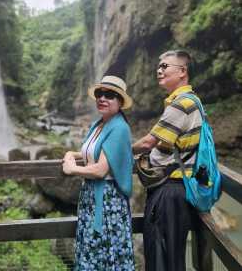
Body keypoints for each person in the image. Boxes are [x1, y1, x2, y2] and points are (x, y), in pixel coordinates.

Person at [133, 50, 201, 271]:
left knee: (162, 256)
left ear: (182, 72)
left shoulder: (181, 104)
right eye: (158, 66)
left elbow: (147, 143)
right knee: (170, 254)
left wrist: (114, 150)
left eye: (165, 66)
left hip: (170, 190)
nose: (159, 70)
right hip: (178, 190)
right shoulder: (192, 101)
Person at [63, 75, 135, 271]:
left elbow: (101, 170)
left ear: (120, 102)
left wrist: (72, 169)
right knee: (92, 250)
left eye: (110, 95)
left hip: (107, 202)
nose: (102, 98)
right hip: (92, 198)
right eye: (99, 93)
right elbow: (92, 153)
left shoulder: (119, 127)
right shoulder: (100, 124)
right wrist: (72, 154)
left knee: (103, 252)